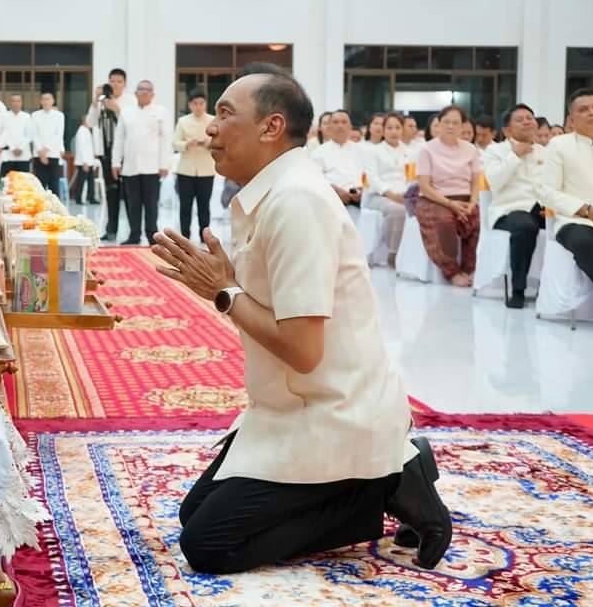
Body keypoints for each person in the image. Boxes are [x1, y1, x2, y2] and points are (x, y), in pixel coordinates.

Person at [150, 64, 451, 576]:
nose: (210, 128)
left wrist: (224, 293)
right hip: (289, 406)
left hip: (335, 410)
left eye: (225, 114)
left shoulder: (296, 202)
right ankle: (379, 479)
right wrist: (228, 289)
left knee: (210, 545)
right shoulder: (272, 194)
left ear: (271, 127)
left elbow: (304, 351)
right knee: (193, 514)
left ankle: (388, 479)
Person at [540, 89, 593, 327]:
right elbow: (547, 192)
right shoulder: (559, 145)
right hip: (577, 220)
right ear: (571, 119)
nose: (592, 113)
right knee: (586, 243)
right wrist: (587, 210)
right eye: (583, 109)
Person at [482, 104, 546, 309]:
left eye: (530, 117)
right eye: (520, 119)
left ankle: (551, 288)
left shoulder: (546, 152)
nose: (527, 121)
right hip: (510, 210)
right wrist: (515, 155)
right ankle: (519, 289)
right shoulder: (495, 151)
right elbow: (495, 182)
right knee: (525, 227)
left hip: (544, 209)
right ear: (507, 130)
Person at [416, 105, 481, 287]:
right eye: (446, 122)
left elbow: (477, 181)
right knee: (444, 221)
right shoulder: (427, 149)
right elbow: (424, 186)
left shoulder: (470, 149)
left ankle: (469, 269)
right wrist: (450, 204)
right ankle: (451, 271)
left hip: (465, 198)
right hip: (434, 199)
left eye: (455, 123)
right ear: (439, 124)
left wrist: (473, 202)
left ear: (462, 127)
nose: (451, 126)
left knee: (477, 218)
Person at [112, 80, 172, 245]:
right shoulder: (126, 112)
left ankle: (152, 235)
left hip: (152, 167)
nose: (144, 92)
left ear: (153, 94)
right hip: (130, 167)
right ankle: (134, 235)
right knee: (133, 204)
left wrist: (164, 164)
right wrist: (115, 162)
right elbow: (119, 138)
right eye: (141, 89)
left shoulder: (161, 112)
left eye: (148, 90)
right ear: (135, 93)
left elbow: (166, 139)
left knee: (151, 204)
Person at [87, 68, 136, 241]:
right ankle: (111, 229)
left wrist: (117, 109)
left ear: (125, 84)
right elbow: (91, 122)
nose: (115, 85)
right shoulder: (101, 101)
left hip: (126, 153)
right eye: (112, 81)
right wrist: (95, 100)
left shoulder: (130, 101)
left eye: (119, 81)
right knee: (111, 194)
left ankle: (133, 232)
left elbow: (132, 123)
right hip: (106, 153)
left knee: (130, 195)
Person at [364, 112, 409, 265]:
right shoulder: (373, 151)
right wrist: (391, 194)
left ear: (403, 130)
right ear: (383, 130)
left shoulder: (410, 151)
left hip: (405, 194)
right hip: (379, 196)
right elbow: (373, 179)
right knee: (397, 210)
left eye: (397, 127)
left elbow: (412, 177)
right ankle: (393, 252)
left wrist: (407, 194)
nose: (394, 131)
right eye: (389, 128)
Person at [173, 89, 216, 240]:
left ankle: (204, 236)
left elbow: (220, 141)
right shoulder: (183, 121)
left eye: (201, 103)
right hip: (186, 170)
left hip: (206, 170)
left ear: (205, 104)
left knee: (204, 205)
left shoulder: (213, 120)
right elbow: (175, 143)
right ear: (190, 105)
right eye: (195, 104)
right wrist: (186, 144)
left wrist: (209, 142)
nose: (198, 107)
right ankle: (184, 235)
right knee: (185, 205)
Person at [311, 109, 364, 207]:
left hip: (360, 200)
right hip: (331, 200)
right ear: (329, 127)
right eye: (336, 122)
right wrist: (337, 191)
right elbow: (315, 178)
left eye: (344, 122)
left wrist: (362, 189)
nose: (340, 125)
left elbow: (368, 175)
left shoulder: (362, 150)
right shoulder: (319, 152)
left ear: (350, 127)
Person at [31, 91, 66, 192]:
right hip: (38, 154)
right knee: (40, 184)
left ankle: (54, 207)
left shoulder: (59, 116)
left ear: (53, 101)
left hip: (53, 153)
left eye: (48, 99)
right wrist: (41, 152)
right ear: (40, 101)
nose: (46, 102)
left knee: (54, 184)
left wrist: (46, 150)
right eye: (44, 99)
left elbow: (58, 135)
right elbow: (34, 134)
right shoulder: (35, 115)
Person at [0, 93, 33, 176]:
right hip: (8, 156)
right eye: (13, 101)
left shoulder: (27, 117)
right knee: (7, 181)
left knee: (23, 182)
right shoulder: (3, 116)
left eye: (18, 101)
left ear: (21, 103)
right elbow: (3, 135)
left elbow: (30, 135)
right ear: (10, 103)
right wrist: (13, 148)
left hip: (23, 155)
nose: (16, 103)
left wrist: (20, 148)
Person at [71, 114, 98, 204]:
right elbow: (82, 148)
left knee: (91, 181)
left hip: (89, 161)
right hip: (83, 162)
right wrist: (85, 162)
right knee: (81, 181)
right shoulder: (81, 131)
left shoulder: (87, 130)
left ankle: (91, 198)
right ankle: (78, 198)